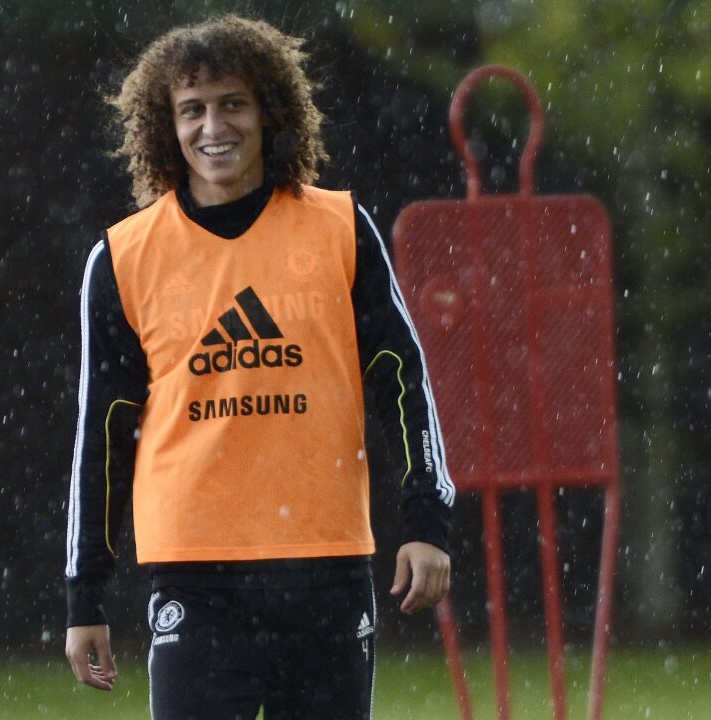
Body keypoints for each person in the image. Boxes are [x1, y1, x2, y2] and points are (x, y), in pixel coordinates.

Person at [63, 14, 455, 719]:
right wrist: (83, 592)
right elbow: (103, 433)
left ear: (270, 111)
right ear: (167, 126)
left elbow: (403, 377)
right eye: (192, 109)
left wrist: (427, 519)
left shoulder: (339, 228)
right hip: (195, 577)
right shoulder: (123, 257)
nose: (213, 126)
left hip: (327, 566)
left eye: (232, 104)